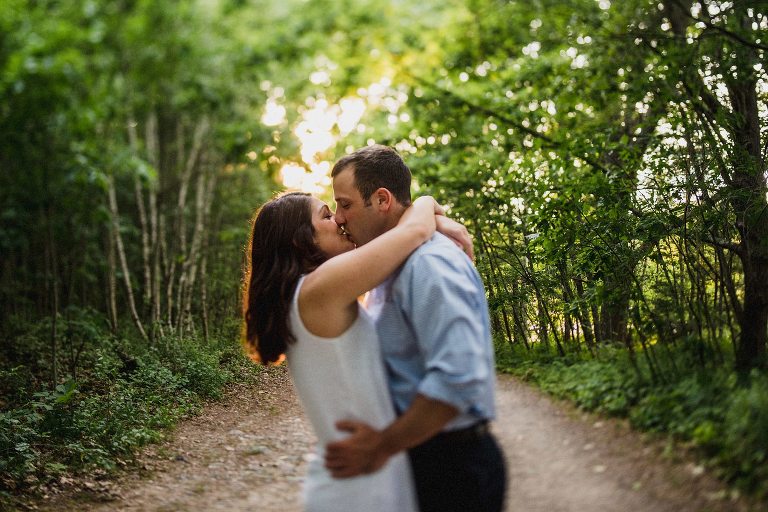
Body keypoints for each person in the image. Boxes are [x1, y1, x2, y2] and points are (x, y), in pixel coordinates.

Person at [242, 191, 472, 512]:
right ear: (300, 240)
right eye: (326, 215)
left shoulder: (308, 294)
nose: (338, 220)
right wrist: (427, 203)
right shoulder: (319, 289)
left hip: (363, 480)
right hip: (358, 490)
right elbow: (413, 231)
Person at [325, 144, 507, 512]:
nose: (339, 218)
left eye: (345, 205)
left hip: (453, 470)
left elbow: (457, 378)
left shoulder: (430, 263)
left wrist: (382, 445)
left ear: (382, 200)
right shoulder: (390, 263)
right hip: (423, 459)